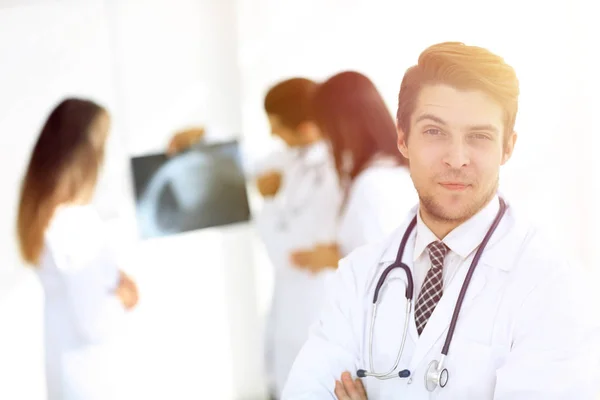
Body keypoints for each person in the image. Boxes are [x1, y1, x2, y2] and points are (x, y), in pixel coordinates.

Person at [282, 42, 600, 399]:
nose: (456, 158)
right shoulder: (359, 276)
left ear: (507, 148)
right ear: (403, 138)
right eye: (435, 132)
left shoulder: (551, 284)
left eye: (479, 136)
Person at [17, 98, 139, 400]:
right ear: (83, 155)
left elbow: (77, 287)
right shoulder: (75, 222)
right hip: (92, 379)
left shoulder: (48, 215)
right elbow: (95, 322)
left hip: (69, 372)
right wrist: (124, 297)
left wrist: (110, 278)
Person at [290, 71, 417, 273]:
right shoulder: (394, 170)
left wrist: (333, 259)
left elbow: (382, 270)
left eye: (325, 127)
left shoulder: (373, 184)